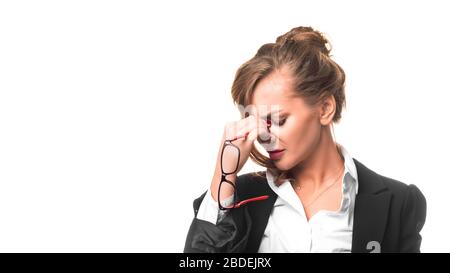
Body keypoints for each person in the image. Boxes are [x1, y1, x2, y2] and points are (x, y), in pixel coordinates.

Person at [184, 26, 427, 253]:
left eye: (278, 120)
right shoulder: (239, 197)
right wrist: (224, 174)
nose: (264, 136)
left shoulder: (398, 203)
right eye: (257, 122)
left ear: (324, 108)